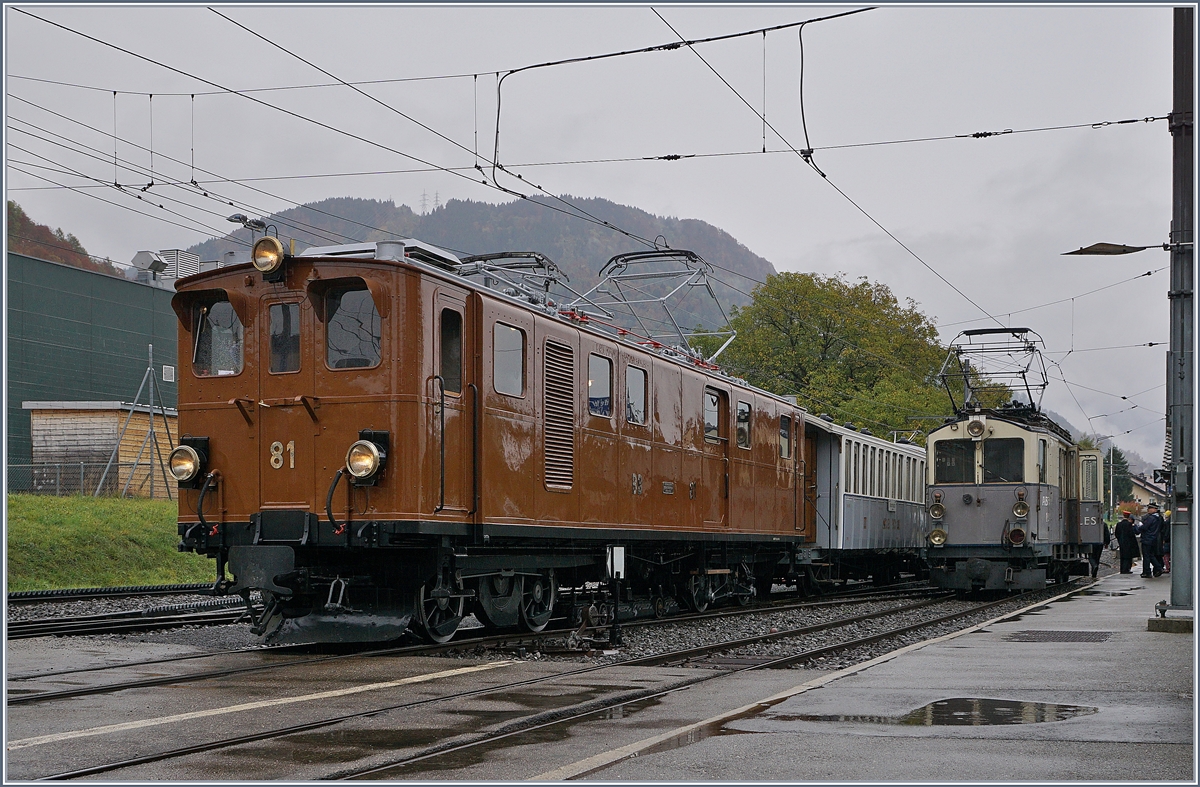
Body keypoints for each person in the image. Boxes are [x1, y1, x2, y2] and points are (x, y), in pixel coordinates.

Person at [1136, 502, 1166, 577]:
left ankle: (1148, 571)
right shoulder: (1159, 518)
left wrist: (1136, 528)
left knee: (1146, 556)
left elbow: (1144, 527)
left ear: (1155, 509)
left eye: (1150, 508)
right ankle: (1158, 568)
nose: (1148, 510)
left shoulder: (1151, 518)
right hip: (1154, 539)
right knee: (1151, 555)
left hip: (1147, 538)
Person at [1115, 510, 1140, 574]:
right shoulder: (1129, 525)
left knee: (1122, 556)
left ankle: (1122, 569)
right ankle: (1126, 569)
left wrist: (1119, 540)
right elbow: (1131, 534)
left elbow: (1116, 534)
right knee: (1128, 557)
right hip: (1129, 543)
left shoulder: (1119, 524)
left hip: (1121, 542)